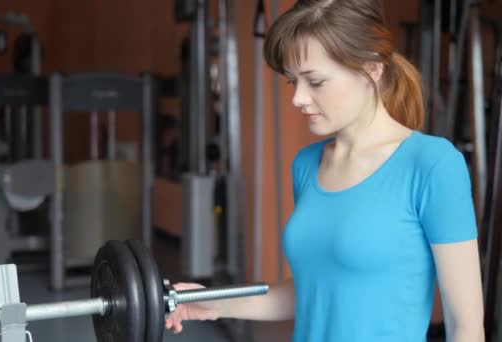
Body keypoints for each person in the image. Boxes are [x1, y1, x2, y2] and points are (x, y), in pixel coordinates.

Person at [165, 0, 485, 341]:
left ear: (371, 69)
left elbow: (465, 326)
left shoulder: (432, 164)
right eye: (293, 82)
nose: (298, 98)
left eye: (315, 82)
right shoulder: (307, 165)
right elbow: (312, 292)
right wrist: (212, 302)